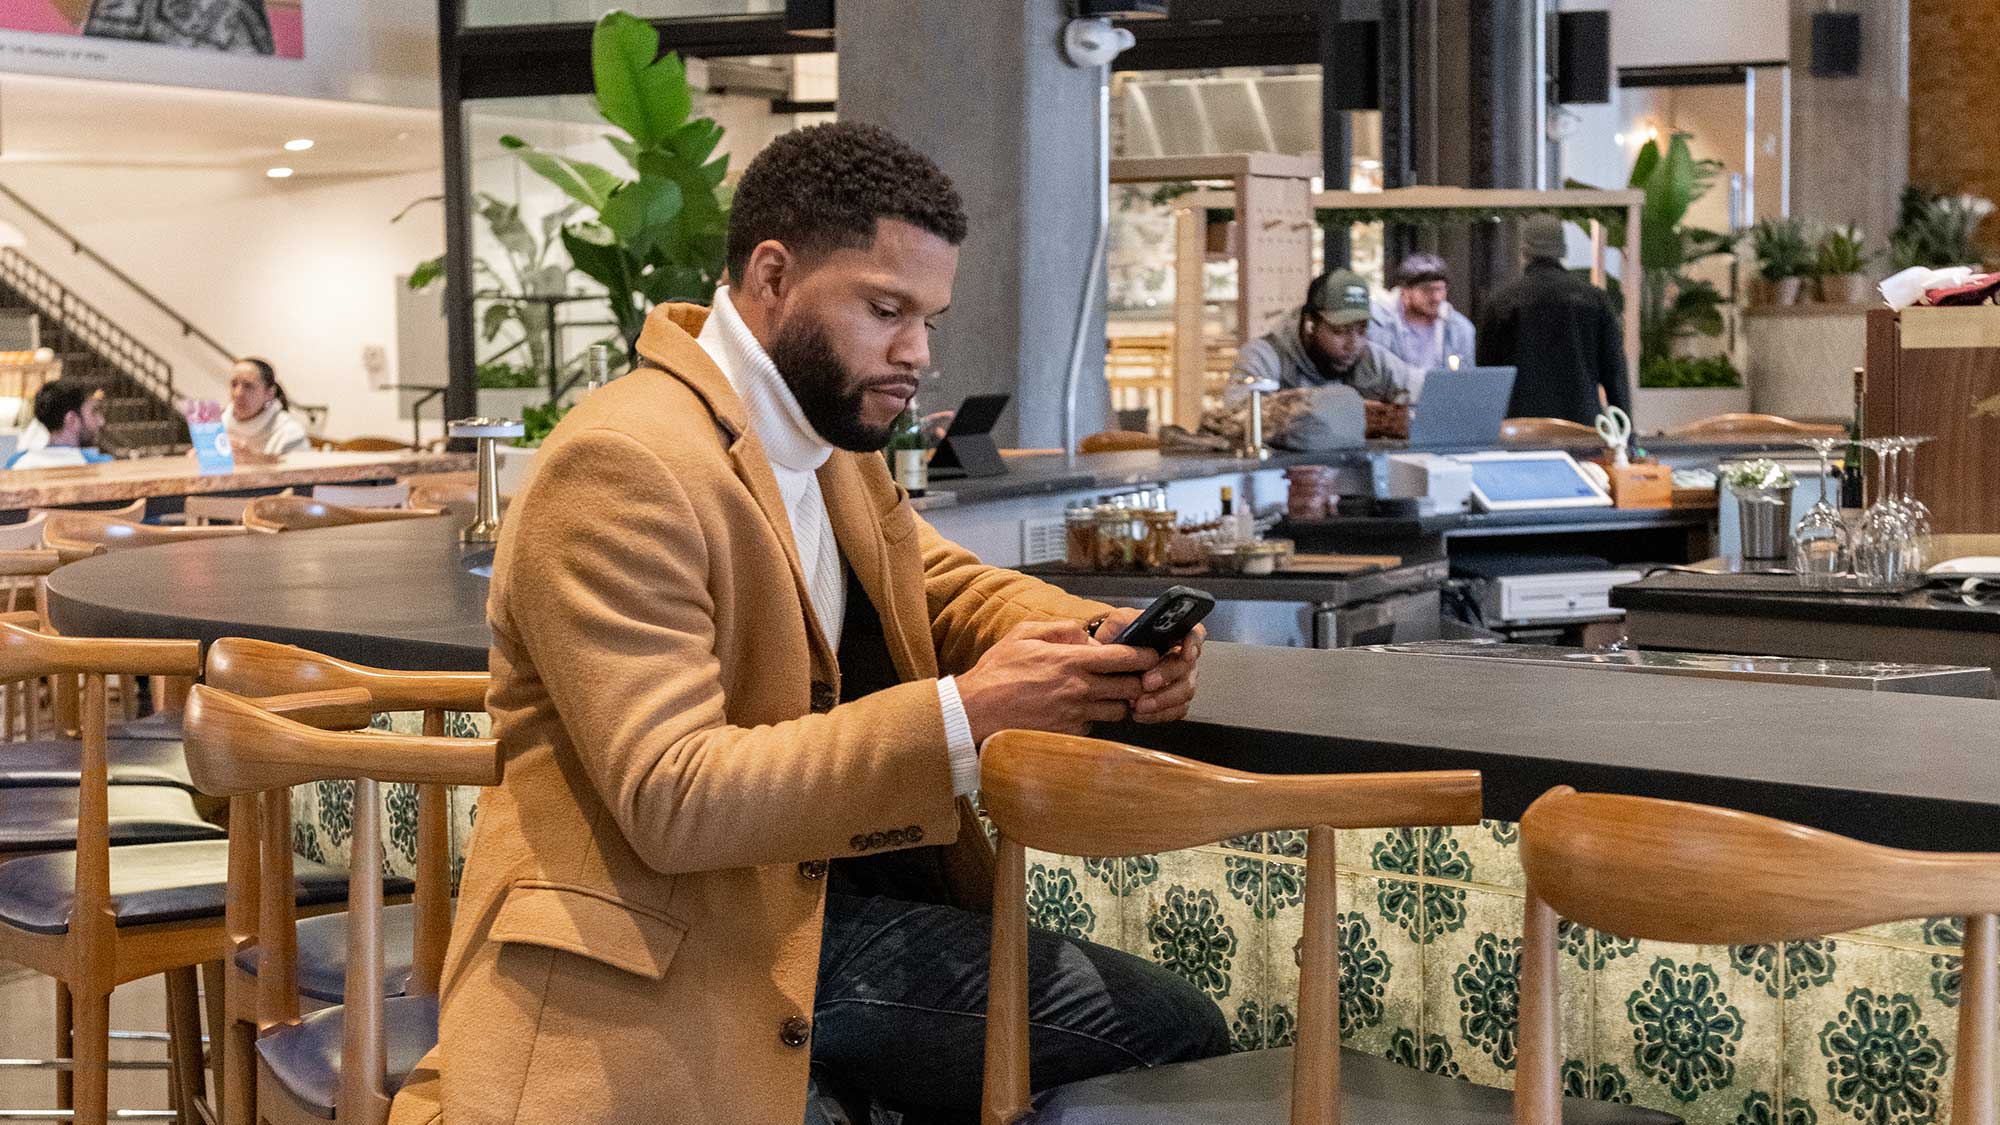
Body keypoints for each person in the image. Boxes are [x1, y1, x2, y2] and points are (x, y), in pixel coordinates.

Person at [389, 123, 1226, 1125]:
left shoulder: (827, 437)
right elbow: (673, 794)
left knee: (1159, 1031)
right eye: (884, 310)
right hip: (674, 945)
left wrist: (1098, 640)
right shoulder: (620, 464)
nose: (915, 353)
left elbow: (940, 588)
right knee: (1165, 1033)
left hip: (808, 911)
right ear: (773, 276)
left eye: (927, 318)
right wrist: (967, 717)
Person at [1476, 214, 1632, 426]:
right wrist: (1625, 435)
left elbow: (1487, 377)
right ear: (1563, 250)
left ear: (1524, 250)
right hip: (1582, 426)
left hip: (1520, 428)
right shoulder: (1595, 300)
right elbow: (1614, 373)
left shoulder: (1501, 302)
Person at [1369, 251, 1476, 372]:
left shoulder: (1459, 328)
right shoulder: (1378, 323)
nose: (1437, 297)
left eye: (1441, 289)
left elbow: (1465, 379)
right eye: (1427, 290)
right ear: (1405, 291)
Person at [5, 380, 111, 469]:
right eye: (94, 412)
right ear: (72, 419)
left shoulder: (16, 463)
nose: (101, 421)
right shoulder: (100, 466)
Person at [223, 357, 310, 456]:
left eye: (248, 386)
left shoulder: (290, 434)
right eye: (234, 384)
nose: (238, 393)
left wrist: (251, 459)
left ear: (269, 393)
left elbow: (302, 471)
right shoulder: (218, 424)